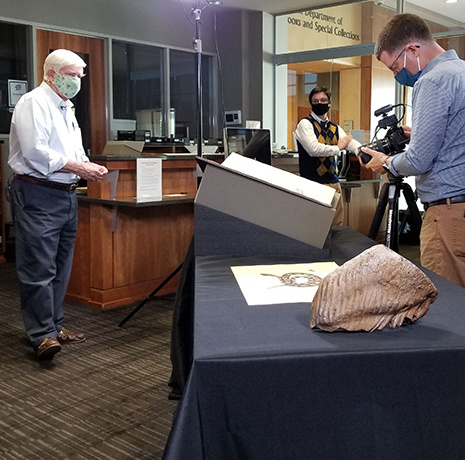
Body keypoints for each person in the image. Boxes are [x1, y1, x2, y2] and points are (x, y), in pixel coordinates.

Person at [8, 49, 109, 359]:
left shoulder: (66, 106)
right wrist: (81, 168)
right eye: (71, 75)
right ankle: (41, 335)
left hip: (65, 195)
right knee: (38, 267)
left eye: (80, 75)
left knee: (61, 267)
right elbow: (37, 154)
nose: (77, 81)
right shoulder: (33, 103)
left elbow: (70, 152)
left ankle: (54, 325)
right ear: (51, 74)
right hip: (38, 193)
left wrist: (86, 165)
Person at [361, 13, 465, 288]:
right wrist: (418, 135)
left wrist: (387, 162)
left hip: (448, 215)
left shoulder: (431, 81)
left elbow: (418, 160)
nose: (397, 76)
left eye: (395, 68)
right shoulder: (461, 72)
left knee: (448, 303)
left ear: (412, 49)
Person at [294, 85, 361, 226]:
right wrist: (338, 148)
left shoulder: (335, 127)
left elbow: (348, 142)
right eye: (316, 101)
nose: (320, 104)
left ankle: (334, 249)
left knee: (337, 225)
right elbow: (313, 149)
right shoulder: (305, 124)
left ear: (329, 103)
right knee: (315, 226)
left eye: (323, 100)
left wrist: (362, 152)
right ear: (311, 104)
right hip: (312, 182)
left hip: (333, 182)